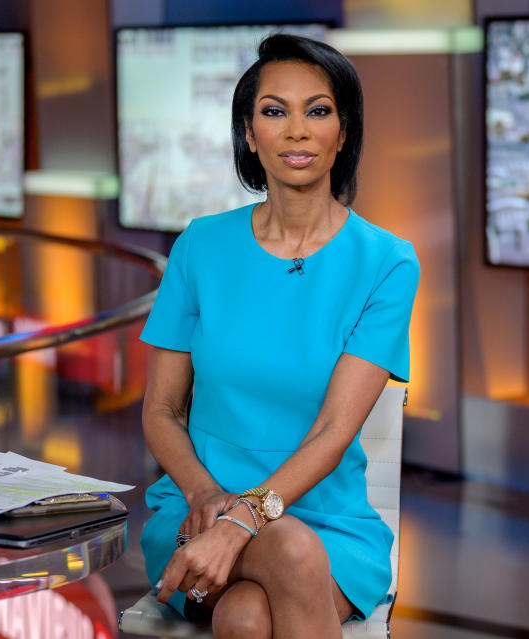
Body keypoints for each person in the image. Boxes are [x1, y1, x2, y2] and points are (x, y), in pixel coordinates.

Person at [139, 33, 420, 639]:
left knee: (253, 606)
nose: (296, 130)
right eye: (274, 111)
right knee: (262, 587)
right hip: (195, 505)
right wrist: (208, 496)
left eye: (318, 111)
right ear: (249, 132)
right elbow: (161, 411)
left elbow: (332, 431)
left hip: (326, 520)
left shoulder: (387, 263)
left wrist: (243, 519)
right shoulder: (200, 246)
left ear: (343, 133)